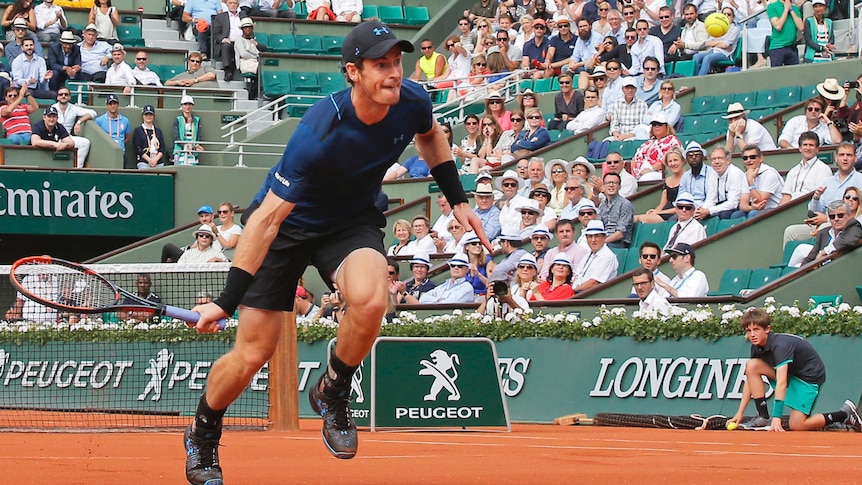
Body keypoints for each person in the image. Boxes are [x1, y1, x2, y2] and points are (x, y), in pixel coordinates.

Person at [185, 31, 488, 470]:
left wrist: (457, 198)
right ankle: (203, 430)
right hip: (287, 227)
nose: (393, 73)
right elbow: (266, 220)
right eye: (380, 65)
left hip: (349, 221)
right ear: (353, 72)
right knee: (254, 353)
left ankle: (333, 388)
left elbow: (430, 135)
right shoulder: (319, 129)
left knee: (370, 299)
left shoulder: (413, 100)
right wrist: (225, 301)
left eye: (396, 62)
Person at [729, 308, 861, 432]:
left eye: (756, 329)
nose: (752, 334)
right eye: (748, 330)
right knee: (752, 365)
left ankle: (844, 414)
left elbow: (781, 383)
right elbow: (750, 379)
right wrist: (740, 413)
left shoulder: (780, 346)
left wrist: (777, 418)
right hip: (791, 374)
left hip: (809, 378)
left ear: (767, 329)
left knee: (797, 425)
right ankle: (763, 416)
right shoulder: (756, 347)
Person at [779, 131, 833, 204]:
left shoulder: (823, 169)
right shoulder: (793, 171)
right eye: (805, 145)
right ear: (800, 148)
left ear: (817, 149)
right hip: (790, 210)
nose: (808, 148)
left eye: (811, 145)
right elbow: (786, 196)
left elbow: (822, 197)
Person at [734, 144, 785, 218]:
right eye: (745, 158)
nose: (748, 160)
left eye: (752, 157)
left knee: (753, 214)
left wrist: (750, 181)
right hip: (757, 209)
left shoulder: (769, 173)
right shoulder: (747, 174)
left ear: (761, 158)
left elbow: (760, 201)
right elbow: (743, 205)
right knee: (737, 215)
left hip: (776, 209)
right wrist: (752, 208)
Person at [636, 148, 685, 223]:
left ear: (683, 161)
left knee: (638, 219)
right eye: (670, 161)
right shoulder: (668, 180)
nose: (673, 163)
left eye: (675, 160)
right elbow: (662, 204)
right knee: (634, 218)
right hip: (663, 213)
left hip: (676, 214)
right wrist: (655, 211)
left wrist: (660, 212)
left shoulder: (688, 178)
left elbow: (682, 207)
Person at [697, 146, 746, 220]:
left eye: (720, 158)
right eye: (714, 159)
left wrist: (709, 211)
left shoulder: (735, 173)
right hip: (722, 206)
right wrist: (701, 211)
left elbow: (733, 203)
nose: (716, 162)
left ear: (728, 160)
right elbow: (711, 199)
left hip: (737, 208)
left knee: (721, 215)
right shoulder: (713, 175)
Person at [52, 85, 94, 168]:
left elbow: (93, 113)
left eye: (66, 94)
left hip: (67, 137)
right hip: (54, 137)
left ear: (69, 97)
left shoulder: (74, 108)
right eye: (61, 94)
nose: (63, 96)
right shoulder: (53, 108)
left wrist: (79, 122)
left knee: (85, 143)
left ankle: (77, 168)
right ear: (57, 97)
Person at [631, 113, 681, 181]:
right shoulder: (648, 143)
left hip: (658, 172)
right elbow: (634, 159)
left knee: (646, 178)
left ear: (666, 127)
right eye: (654, 125)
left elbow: (667, 160)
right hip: (638, 174)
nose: (657, 126)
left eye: (660, 124)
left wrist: (650, 169)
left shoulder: (672, 140)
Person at [572, 220, 619, 292]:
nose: (593, 240)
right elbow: (577, 276)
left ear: (604, 237)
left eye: (597, 236)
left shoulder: (607, 257)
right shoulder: (587, 255)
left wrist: (572, 292)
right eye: (590, 236)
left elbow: (594, 283)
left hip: (591, 296)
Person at [692, 8, 740, 76]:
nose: (726, 16)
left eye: (729, 14)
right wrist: (720, 43)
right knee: (696, 56)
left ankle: (698, 81)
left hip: (725, 54)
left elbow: (725, 45)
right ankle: (693, 78)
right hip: (713, 51)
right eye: (724, 14)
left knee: (707, 58)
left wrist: (715, 43)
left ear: (733, 17)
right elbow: (707, 43)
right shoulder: (717, 27)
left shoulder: (735, 29)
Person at [778, 98, 842, 148]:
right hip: (790, 153)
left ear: (821, 112)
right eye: (810, 109)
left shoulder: (824, 127)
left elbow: (837, 141)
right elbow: (782, 141)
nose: (813, 111)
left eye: (816, 109)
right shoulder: (795, 121)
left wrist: (828, 122)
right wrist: (794, 151)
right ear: (806, 111)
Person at [598, 172, 634, 248]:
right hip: (604, 241)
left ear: (619, 186)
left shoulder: (625, 204)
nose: (611, 185)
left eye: (614, 183)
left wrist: (602, 242)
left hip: (619, 244)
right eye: (608, 183)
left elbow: (620, 234)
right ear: (603, 186)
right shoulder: (602, 206)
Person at [608, 77, 648, 141]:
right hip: (619, 135)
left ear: (636, 89)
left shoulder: (642, 104)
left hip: (634, 137)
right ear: (623, 89)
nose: (630, 90)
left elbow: (642, 127)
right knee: (605, 143)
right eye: (627, 88)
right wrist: (616, 134)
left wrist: (627, 136)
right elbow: (614, 124)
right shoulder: (617, 103)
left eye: (632, 88)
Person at [678, 141, 716, 209]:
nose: (694, 157)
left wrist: (701, 210)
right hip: (688, 209)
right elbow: (681, 197)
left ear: (702, 157)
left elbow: (713, 198)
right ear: (686, 158)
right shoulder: (685, 176)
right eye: (690, 156)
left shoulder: (712, 173)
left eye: (697, 155)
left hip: (707, 209)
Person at [212, 0, 242, 82]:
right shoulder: (221, 17)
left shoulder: (243, 16)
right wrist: (223, 39)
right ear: (226, 4)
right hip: (228, 42)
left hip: (241, 43)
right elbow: (216, 33)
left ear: (238, 5)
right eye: (230, 3)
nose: (233, 5)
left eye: (235, 3)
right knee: (225, 45)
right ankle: (228, 71)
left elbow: (249, 30)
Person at [767, 0, 803, 67]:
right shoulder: (772, 7)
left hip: (792, 47)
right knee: (777, 75)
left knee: (793, 74)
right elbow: (778, 26)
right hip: (777, 47)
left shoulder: (795, 8)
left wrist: (791, 10)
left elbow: (801, 27)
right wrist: (786, 10)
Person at [173, 95, 205, 165]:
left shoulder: (197, 120)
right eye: (185, 104)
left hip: (192, 152)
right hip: (179, 152)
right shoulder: (178, 119)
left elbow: (198, 136)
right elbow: (176, 138)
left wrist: (196, 145)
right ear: (182, 106)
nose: (187, 106)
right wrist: (186, 146)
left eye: (190, 104)